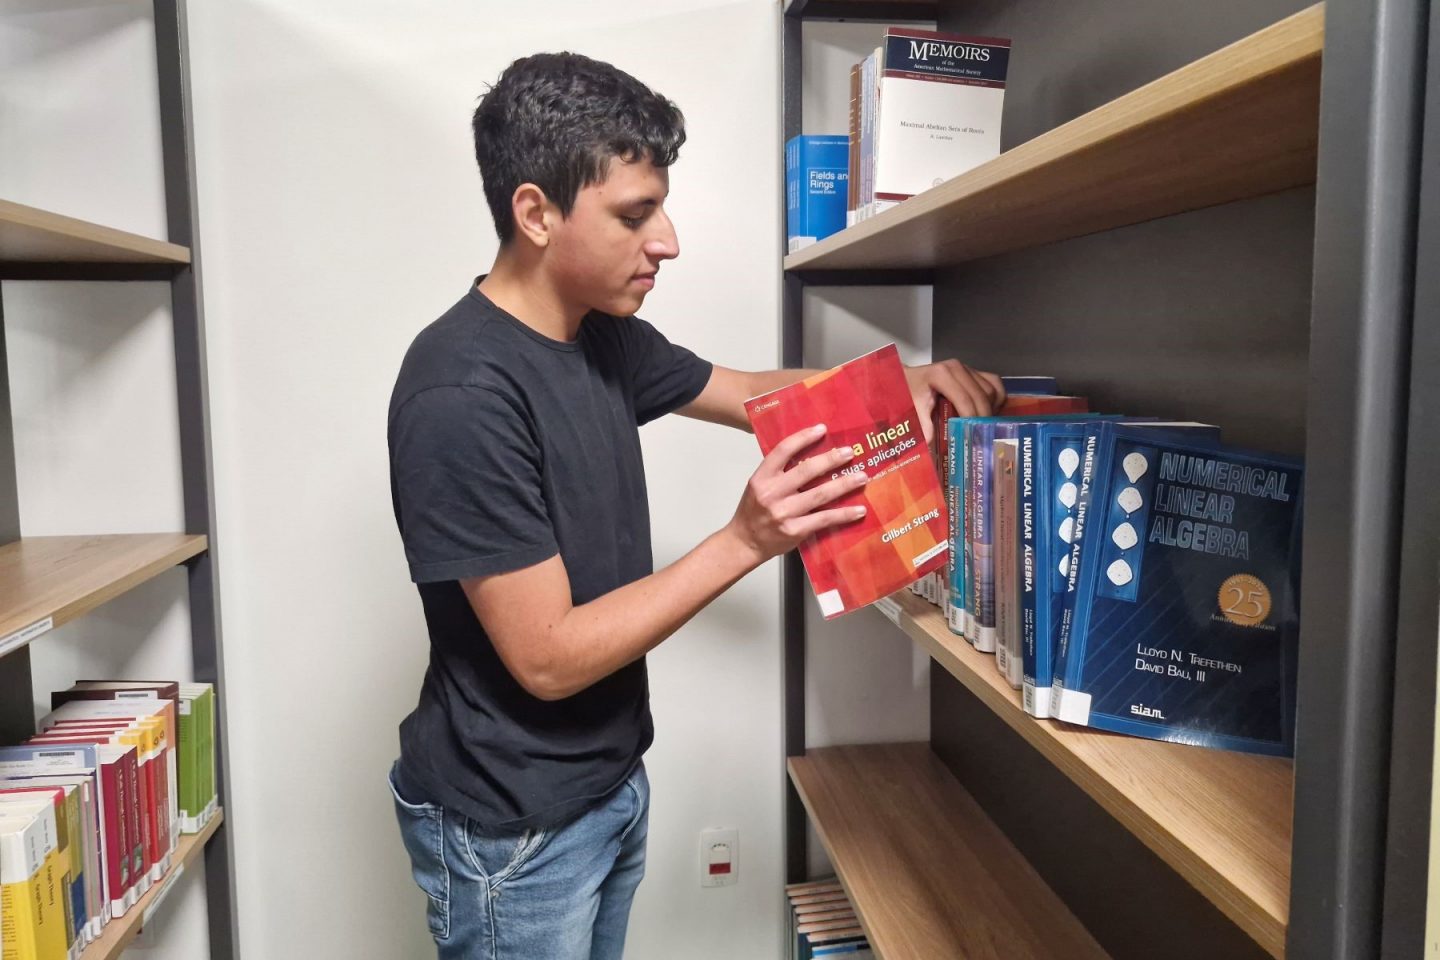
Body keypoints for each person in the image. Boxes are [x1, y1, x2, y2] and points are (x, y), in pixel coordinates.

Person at [385, 51, 1003, 960]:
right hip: (511, 832)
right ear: (536, 213)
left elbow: (754, 389)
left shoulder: (603, 339)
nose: (668, 240)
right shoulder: (460, 393)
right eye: (635, 216)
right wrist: (747, 538)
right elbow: (548, 661)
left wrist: (900, 381)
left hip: (606, 783)